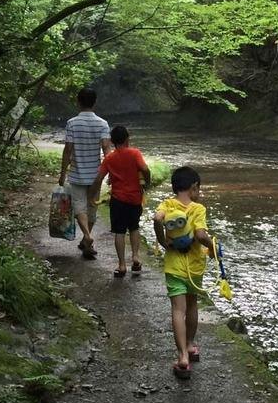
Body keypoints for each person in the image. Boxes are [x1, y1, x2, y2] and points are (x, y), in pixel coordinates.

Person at [153, 166, 214, 379]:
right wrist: (213, 248)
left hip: (174, 266)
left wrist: (162, 241)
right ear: (194, 187)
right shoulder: (198, 209)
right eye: (199, 189)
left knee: (178, 310)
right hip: (194, 267)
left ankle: (182, 357)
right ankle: (189, 345)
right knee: (192, 304)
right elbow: (200, 235)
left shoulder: (167, 204)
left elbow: (156, 218)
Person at [89, 125, 151, 278]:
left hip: (117, 200)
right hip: (135, 198)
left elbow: (98, 179)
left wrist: (91, 195)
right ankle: (136, 257)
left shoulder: (109, 157)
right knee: (134, 228)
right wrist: (147, 182)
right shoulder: (135, 153)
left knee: (119, 232)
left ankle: (122, 265)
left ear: (112, 141)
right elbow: (145, 169)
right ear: (127, 138)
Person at [58, 88, 110, 259]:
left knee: (79, 207)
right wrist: (111, 173)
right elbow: (106, 150)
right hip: (96, 174)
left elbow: (68, 151)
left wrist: (63, 173)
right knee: (92, 208)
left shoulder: (72, 123)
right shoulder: (102, 123)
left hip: (77, 174)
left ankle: (87, 237)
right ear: (94, 103)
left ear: (78, 102)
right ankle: (86, 241)